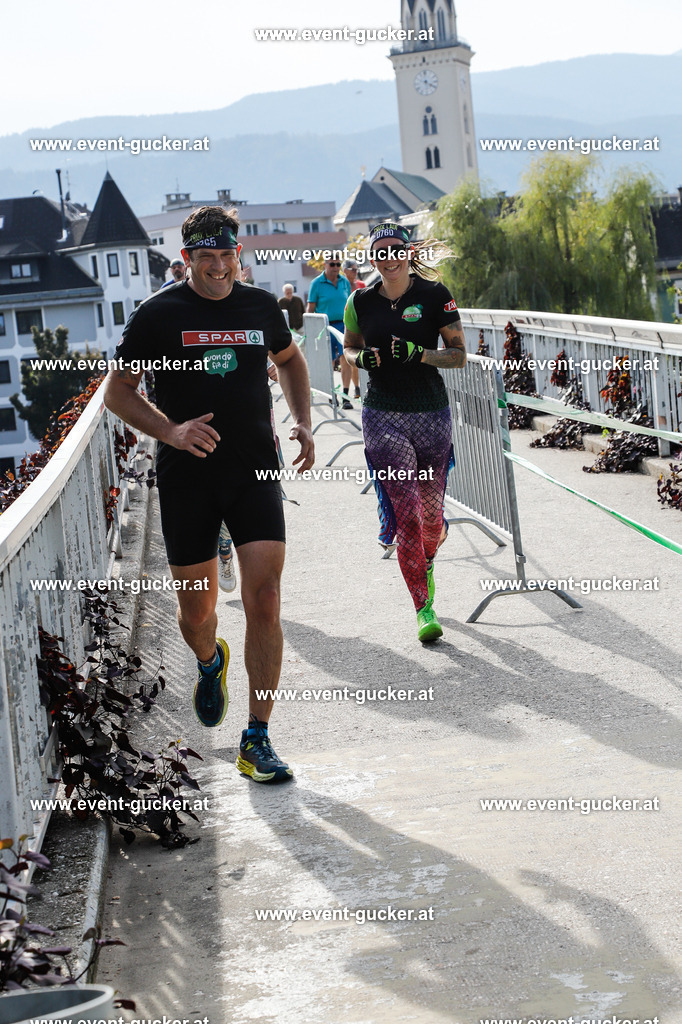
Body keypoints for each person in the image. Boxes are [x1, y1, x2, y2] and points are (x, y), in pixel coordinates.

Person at [103, 205, 314, 783]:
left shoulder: (259, 307)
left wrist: (301, 420)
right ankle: (208, 659)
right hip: (187, 478)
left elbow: (291, 361)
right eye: (206, 257)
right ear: (186, 260)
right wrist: (170, 429)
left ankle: (257, 738)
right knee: (197, 613)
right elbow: (117, 393)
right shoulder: (157, 316)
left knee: (264, 598)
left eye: (227, 256)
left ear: (237, 255)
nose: (218, 267)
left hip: (255, 473)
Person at [343, 222, 466, 643]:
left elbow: (459, 355)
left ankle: (427, 561)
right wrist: (364, 361)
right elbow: (349, 348)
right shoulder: (358, 300)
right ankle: (423, 608)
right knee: (408, 515)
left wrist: (420, 354)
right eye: (381, 252)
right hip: (381, 416)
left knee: (431, 520)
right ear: (372, 257)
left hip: (431, 414)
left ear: (408, 251)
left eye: (396, 249)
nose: (389, 258)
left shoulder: (435, 295)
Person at [307, 256, 353, 409]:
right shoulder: (316, 283)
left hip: (343, 325)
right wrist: (311, 331)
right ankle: (331, 395)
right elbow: (310, 309)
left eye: (338, 264)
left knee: (345, 358)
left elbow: (349, 304)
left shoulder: (344, 282)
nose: (335, 267)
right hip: (324, 326)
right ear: (325, 265)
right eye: (332, 264)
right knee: (329, 362)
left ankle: (345, 396)